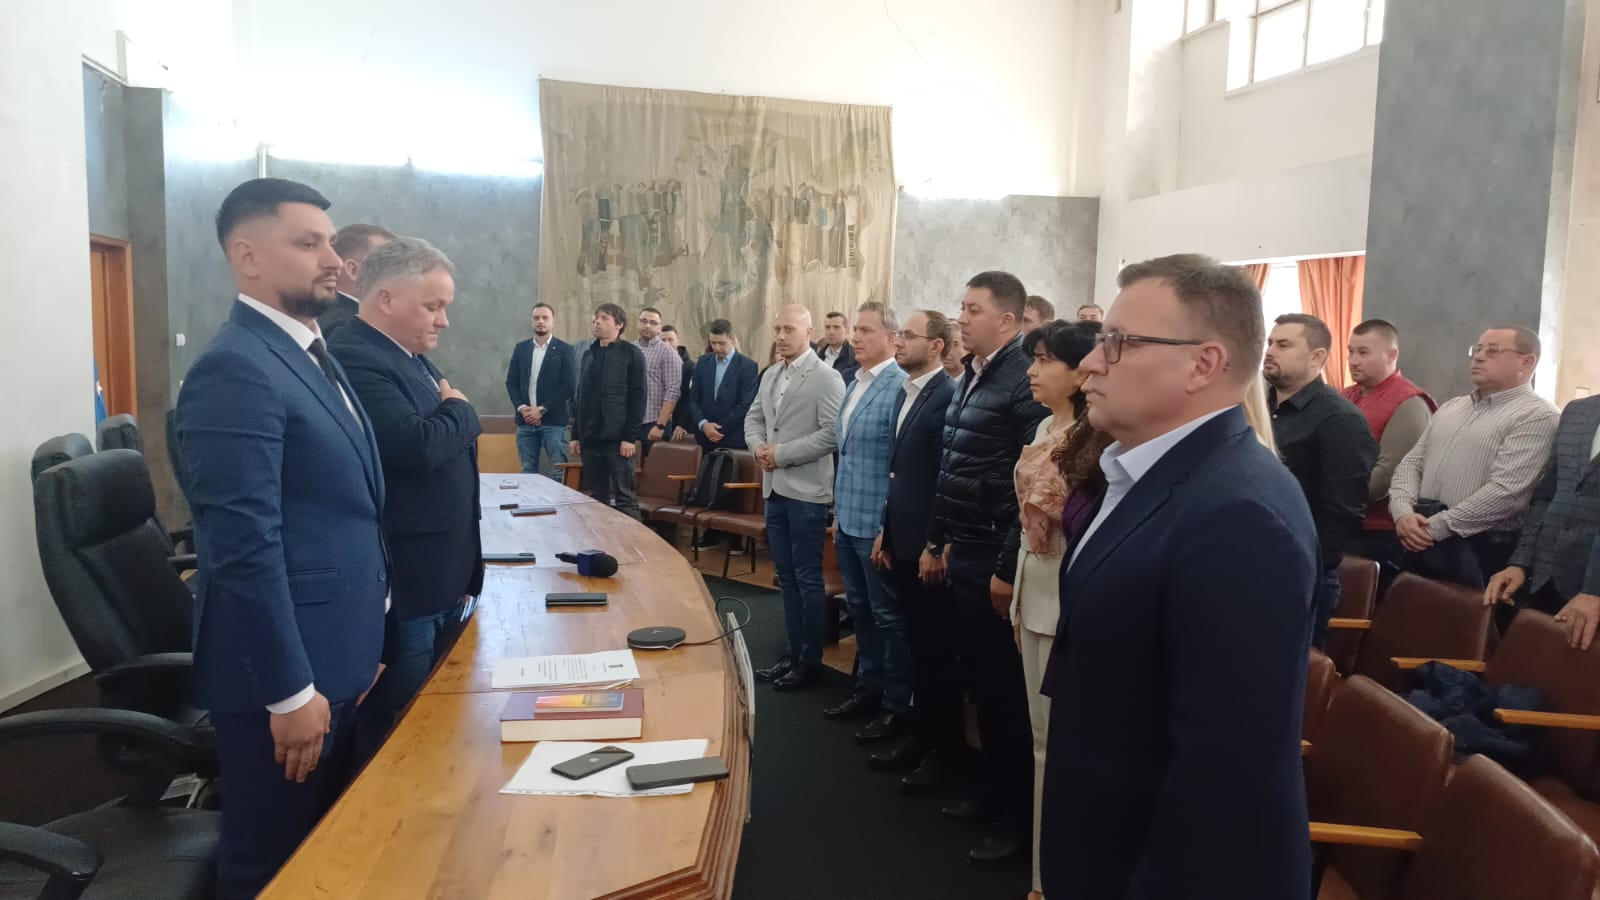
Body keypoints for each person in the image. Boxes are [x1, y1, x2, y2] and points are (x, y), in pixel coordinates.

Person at [1039, 254, 1318, 899]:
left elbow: (1226, 767)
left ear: (1203, 364)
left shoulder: (1240, 513)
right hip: (1107, 831)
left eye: (1120, 343)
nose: (1091, 363)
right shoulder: (1143, 474)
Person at [175, 178, 387, 899]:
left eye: (330, 241)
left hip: (335, 652)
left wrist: (367, 636)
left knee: (324, 853)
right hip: (284, 678)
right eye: (308, 243)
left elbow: (345, 509)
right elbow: (243, 549)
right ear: (248, 257)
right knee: (271, 865)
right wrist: (290, 691)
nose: (334, 259)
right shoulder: (234, 368)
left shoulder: (309, 352)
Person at [327, 237, 484, 757]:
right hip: (411, 579)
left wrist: (450, 415)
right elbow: (415, 446)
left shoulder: (409, 358)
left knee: (427, 714)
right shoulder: (355, 355)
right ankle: (362, 802)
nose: (444, 321)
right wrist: (462, 411)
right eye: (433, 306)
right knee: (394, 722)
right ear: (387, 298)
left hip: (441, 574)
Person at [921, 270, 1047, 864]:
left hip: (994, 553)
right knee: (976, 678)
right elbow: (953, 466)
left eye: (973, 310)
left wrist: (1004, 568)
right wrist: (938, 538)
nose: (961, 318)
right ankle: (987, 790)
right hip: (965, 546)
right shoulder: (972, 373)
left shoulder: (1022, 378)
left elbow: (1028, 488)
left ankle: (1014, 818)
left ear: (1007, 320)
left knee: (1003, 693)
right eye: (961, 307)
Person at [1009, 319, 1108, 897]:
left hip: (1064, 591)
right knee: (1039, 738)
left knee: (1053, 742)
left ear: (1080, 372)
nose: (1032, 370)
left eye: (1045, 360)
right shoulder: (1045, 425)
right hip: (1034, 586)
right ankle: (1041, 867)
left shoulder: (1093, 439)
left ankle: (1049, 880)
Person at [1389, 326, 1560, 588]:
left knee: (1463, 615)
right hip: (1420, 534)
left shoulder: (1537, 416)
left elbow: (1507, 492)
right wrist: (1402, 512)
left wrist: (1435, 528)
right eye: (1477, 349)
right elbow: (1411, 464)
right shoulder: (1452, 407)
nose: (1479, 357)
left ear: (1526, 362)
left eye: (1493, 351)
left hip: (1478, 547)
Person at [869, 310, 958, 784]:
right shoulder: (912, 391)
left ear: (938, 345)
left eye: (908, 335)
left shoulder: (946, 395)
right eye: (899, 334)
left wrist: (936, 543)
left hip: (927, 546)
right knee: (918, 647)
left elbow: (945, 479)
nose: (899, 342)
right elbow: (898, 475)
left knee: (934, 653)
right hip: (902, 540)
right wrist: (886, 531)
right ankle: (919, 738)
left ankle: (940, 752)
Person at [1264, 313, 1378, 648]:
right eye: (1270, 343)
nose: (1270, 351)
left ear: (1317, 357)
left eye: (1283, 345)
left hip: (1298, 571)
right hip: (1252, 558)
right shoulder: (1259, 406)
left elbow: (1343, 510)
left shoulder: (1339, 419)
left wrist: (1307, 565)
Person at [747, 305, 845, 691]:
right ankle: (792, 652)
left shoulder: (826, 377)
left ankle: (810, 659)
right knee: (786, 578)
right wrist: (758, 448)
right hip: (774, 488)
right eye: (777, 329)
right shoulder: (772, 373)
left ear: (809, 333)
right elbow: (754, 418)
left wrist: (781, 454)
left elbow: (832, 434)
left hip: (806, 493)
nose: (781, 336)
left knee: (807, 579)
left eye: (789, 329)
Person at [823, 302, 908, 740]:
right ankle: (868, 688)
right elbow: (848, 455)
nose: (856, 337)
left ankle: (896, 704)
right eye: (855, 329)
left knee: (888, 617)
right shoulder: (853, 381)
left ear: (892, 339)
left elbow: (900, 466)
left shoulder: (899, 385)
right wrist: (838, 515)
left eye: (866, 330)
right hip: (848, 517)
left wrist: (886, 527)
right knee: (860, 610)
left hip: (877, 525)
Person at [1484, 393, 1600, 636]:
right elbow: (1547, 493)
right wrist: (1520, 562)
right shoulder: (1577, 410)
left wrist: (1594, 590)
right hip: (1547, 577)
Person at [1342, 318, 1435, 576]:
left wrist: (1328, 497)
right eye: (1351, 351)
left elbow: (1387, 476)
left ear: (1391, 355)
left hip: (1378, 532)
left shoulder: (1409, 403)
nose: (1353, 360)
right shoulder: (1345, 396)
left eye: (1363, 353)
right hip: (1339, 522)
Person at [569, 304, 646, 519]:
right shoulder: (588, 354)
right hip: (590, 438)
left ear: (619, 325)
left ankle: (632, 539)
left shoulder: (631, 353)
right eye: (595, 318)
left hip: (618, 439)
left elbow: (638, 398)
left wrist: (629, 437)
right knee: (596, 498)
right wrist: (576, 434)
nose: (597, 322)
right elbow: (580, 397)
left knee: (625, 498)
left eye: (604, 318)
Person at [505, 302, 577, 478]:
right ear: (532, 321)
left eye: (545, 318)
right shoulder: (521, 348)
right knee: (527, 471)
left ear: (553, 322)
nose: (541, 321)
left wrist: (542, 410)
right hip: (525, 421)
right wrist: (523, 409)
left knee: (558, 472)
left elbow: (568, 386)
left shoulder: (565, 349)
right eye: (536, 318)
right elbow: (511, 382)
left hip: (554, 422)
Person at [689, 319, 759, 452]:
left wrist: (718, 429)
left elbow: (745, 404)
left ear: (732, 339)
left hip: (732, 440)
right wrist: (703, 424)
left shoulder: (748, 366)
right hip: (704, 438)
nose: (716, 348)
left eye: (721, 343)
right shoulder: (703, 362)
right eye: (713, 343)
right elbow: (694, 399)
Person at [317, 223, 394, 339]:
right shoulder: (355, 327)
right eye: (390, 265)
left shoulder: (315, 314)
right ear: (354, 270)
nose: (402, 275)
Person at [634, 306, 681, 456]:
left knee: (655, 468)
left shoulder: (668, 352)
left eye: (653, 323)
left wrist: (660, 425)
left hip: (653, 423)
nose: (647, 325)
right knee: (628, 468)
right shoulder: (630, 349)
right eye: (643, 321)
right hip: (630, 423)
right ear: (637, 323)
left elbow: (673, 391)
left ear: (660, 328)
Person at [661, 324, 696, 441]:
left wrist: (682, 424)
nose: (667, 344)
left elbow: (692, 399)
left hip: (680, 426)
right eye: (663, 340)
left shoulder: (690, 368)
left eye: (670, 339)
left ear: (677, 341)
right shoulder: (651, 365)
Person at [818, 309, 858, 378]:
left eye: (836, 327)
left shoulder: (854, 358)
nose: (831, 332)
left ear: (846, 330)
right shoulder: (819, 356)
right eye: (828, 327)